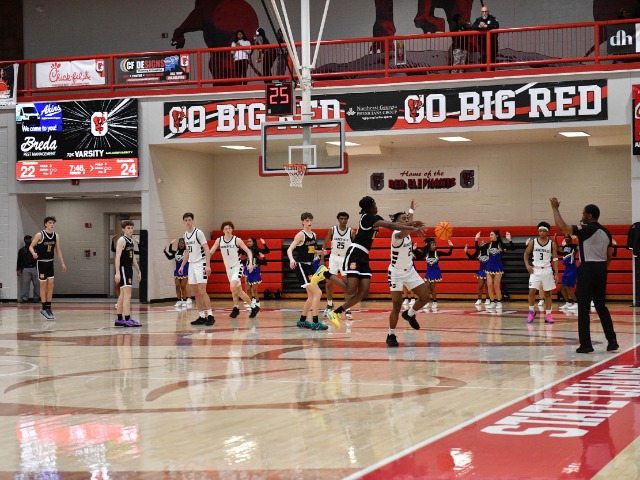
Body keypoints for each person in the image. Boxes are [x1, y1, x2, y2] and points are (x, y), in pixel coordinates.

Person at [312, 196, 425, 327]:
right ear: (369, 208)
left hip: (364, 255)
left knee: (364, 292)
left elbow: (394, 226)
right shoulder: (367, 218)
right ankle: (324, 273)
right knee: (350, 290)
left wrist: (411, 222)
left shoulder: (375, 218)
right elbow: (391, 225)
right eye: (374, 205)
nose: (376, 207)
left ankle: (336, 313)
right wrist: (412, 227)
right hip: (355, 252)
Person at [550, 198, 618, 353]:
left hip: (587, 268)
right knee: (601, 306)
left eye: (583, 214)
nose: (582, 217)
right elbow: (609, 257)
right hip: (601, 269)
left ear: (589, 216)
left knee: (584, 307)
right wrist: (601, 270)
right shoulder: (606, 232)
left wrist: (555, 208)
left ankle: (586, 344)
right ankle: (612, 340)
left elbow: (562, 227)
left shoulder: (586, 229)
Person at [387, 208, 431, 348]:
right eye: (403, 219)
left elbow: (409, 221)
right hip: (396, 273)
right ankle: (391, 334)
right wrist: (412, 225)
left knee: (425, 297)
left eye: (407, 219)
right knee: (397, 304)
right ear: (396, 223)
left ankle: (410, 314)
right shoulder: (396, 234)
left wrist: (411, 210)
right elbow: (405, 230)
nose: (406, 220)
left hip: (410, 270)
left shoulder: (407, 229)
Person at [287, 212, 330, 330]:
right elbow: (289, 249)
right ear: (302, 222)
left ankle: (302, 321)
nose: (309, 222)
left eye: (311, 220)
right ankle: (315, 322)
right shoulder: (300, 235)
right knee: (318, 293)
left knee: (311, 296)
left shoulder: (314, 235)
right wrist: (291, 259)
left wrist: (320, 252)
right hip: (301, 266)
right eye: (307, 220)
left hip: (310, 266)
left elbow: (312, 251)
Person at [209, 221, 260, 319]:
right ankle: (253, 307)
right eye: (226, 228)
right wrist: (206, 261)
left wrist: (250, 263)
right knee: (238, 291)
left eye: (229, 228)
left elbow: (248, 251)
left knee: (233, 286)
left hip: (237, 266)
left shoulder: (237, 240)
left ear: (232, 229)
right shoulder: (219, 240)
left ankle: (236, 308)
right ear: (223, 230)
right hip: (228, 269)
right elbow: (211, 252)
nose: (228, 230)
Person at [178, 212, 215, 327]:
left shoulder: (198, 233)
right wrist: (182, 265)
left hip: (201, 263)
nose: (188, 222)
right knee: (196, 292)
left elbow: (207, 249)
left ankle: (210, 315)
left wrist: (207, 265)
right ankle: (201, 316)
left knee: (202, 291)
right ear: (183, 222)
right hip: (192, 264)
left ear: (192, 221)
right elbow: (187, 252)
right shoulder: (185, 235)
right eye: (186, 220)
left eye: (189, 220)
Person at [320, 212, 356, 319]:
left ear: (347, 219)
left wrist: (354, 261)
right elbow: (325, 243)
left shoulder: (351, 232)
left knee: (347, 285)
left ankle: (347, 309)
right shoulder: (332, 230)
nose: (343, 221)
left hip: (345, 259)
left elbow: (355, 247)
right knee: (329, 284)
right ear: (338, 219)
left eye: (345, 219)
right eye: (341, 219)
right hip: (334, 258)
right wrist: (322, 258)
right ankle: (329, 305)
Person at [30, 217, 66, 320]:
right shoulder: (40, 235)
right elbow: (31, 246)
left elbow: (58, 250)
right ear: (45, 224)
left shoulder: (56, 236)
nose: (52, 224)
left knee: (51, 285)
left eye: (53, 223)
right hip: (41, 263)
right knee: (43, 285)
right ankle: (43, 307)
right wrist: (33, 253)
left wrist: (62, 263)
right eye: (50, 223)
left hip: (50, 263)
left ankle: (48, 307)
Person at [523, 222, 559, 325]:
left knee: (547, 294)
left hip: (547, 270)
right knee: (531, 291)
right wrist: (527, 265)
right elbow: (526, 254)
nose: (542, 233)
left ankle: (548, 314)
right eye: (540, 231)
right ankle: (531, 311)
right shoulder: (533, 242)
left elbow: (555, 259)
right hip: (535, 270)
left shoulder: (552, 244)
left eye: (544, 231)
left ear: (548, 232)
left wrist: (556, 273)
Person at [414, 236, 454, 311]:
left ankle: (435, 301)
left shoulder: (437, 253)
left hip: (435, 272)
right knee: (427, 287)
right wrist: (415, 249)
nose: (434, 246)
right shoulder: (426, 253)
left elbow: (448, 254)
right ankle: (426, 302)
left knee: (432, 288)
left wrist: (451, 246)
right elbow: (419, 257)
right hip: (428, 272)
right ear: (429, 246)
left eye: (435, 245)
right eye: (433, 245)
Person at [114, 220, 142, 327]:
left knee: (122, 294)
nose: (130, 230)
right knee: (127, 294)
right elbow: (117, 257)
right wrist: (117, 272)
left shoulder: (131, 241)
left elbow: (133, 257)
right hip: (123, 268)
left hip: (129, 268)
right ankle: (127, 319)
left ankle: (119, 319)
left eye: (131, 228)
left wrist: (139, 270)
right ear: (123, 229)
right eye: (128, 228)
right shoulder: (122, 240)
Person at [484, 229, 513, 310]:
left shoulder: (500, 244)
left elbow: (512, 248)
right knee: (489, 285)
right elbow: (479, 249)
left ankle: (499, 302)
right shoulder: (488, 245)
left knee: (496, 285)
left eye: (492, 234)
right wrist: (476, 240)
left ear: (496, 235)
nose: (490, 236)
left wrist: (509, 240)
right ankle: (492, 302)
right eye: (490, 234)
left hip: (498, 267)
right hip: (489, 267)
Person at [243, 238, 270, 309]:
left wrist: (264, 243)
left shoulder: (256, 254)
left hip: (255, 272)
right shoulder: (245, 251)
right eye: (248, 241)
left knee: (254, 289)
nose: (248, 243)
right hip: (248, 271)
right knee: (248, 289)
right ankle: (249, 302)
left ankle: (257, 302)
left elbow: (267, 252)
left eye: (250, 241)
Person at [164, 238, 192, 308]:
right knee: (177, 286)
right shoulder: (176, 252)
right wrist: (166, 249)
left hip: (184, 271)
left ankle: (184, 300)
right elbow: (169, 256)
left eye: (182, 243)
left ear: (184, 244)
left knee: (183, 286)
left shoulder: (186, 252)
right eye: (180, 243)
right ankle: (179, 300)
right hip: (177, 272)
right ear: (178, 244)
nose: (181, 245)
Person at [464, 231, 489, 306]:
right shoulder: (479, 252)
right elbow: (471, 257)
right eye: (481, 243)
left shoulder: (489, 252)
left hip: (488, 271)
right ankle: (479, 299)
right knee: (480, 286)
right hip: (481, 271)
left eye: (484, 243)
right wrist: (466, 252)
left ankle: (488, 299)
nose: (482, 244)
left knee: (488, 286)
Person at [557, 233, 579, 310]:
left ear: (570, 238)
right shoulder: (565, 247)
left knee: (567, 287)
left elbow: (580, 246)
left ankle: (576, 302)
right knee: (562, 287)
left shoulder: (574, 246)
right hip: (566, 269)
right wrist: (555, 239)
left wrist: (576, 238)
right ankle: (568, 302)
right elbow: (558, 249)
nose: (566, 238)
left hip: (572, 268)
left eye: (567, 237)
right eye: (565, 237)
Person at [16, 235, 40, 303]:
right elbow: (19, 260)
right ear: (24, 240)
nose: (28, 240)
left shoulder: (36, 249)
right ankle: (24, 298)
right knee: (25, 284)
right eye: (27, 239)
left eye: (29, 239)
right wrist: (18, 269)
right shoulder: (22, 250)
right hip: (25, 268)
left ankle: (36, 298)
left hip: (35, 268)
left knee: (36, 284)